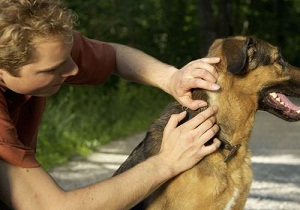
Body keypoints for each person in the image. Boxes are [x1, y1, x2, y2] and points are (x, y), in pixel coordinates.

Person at [0, 0, 221, 209]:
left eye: (68, 55)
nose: (74, 69)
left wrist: (171, 78)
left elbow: (114, 56)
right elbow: (53, 206)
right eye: (51, 69)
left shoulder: (43, 44)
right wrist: (166, 162)